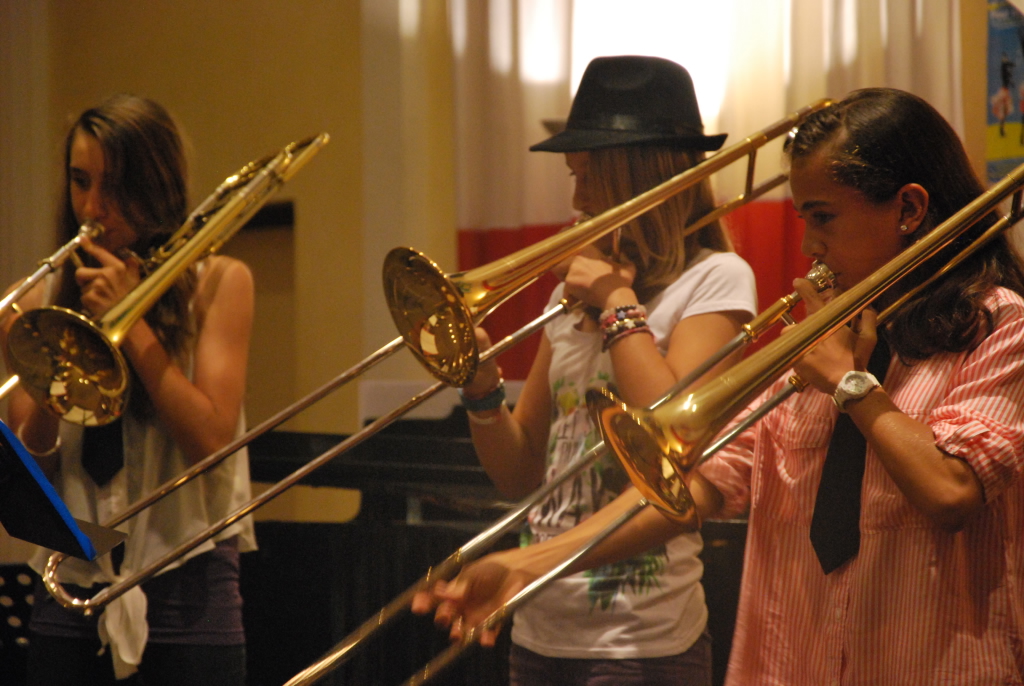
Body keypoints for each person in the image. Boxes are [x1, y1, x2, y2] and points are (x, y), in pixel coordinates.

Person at [416, 88, 1024, 685]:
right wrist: (528, 563)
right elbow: (697, 481)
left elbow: (951, 490)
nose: (809, 245)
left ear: (909, 209)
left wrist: (849, 382)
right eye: (803, 218)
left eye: (824, 218)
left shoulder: (1000, 326)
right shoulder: (822, 343)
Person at [452, 56, 758, 685]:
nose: (576, 199)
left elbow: (674, 437)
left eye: (588, 176)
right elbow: (518, 475)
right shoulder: (570, 300)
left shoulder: (716, 280)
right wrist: (482, 391)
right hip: (539, 632)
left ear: (638, 176)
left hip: (641, 644)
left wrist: (620, 306)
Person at [1, 94, 256, 685]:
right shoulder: (35, 296)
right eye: (80, 182)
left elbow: (211, 443)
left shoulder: (219, 282)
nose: (93, 207)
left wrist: (130, 322)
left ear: (156, 183)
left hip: (188, 587)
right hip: (68, 588)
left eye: (113, 186)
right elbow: (34, 461)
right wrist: (44, 366)